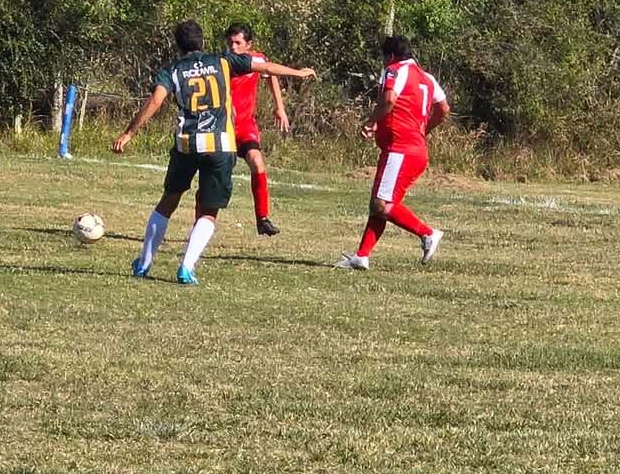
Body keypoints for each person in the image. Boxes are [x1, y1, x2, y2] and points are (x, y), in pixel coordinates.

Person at [112, 20, 315, 285]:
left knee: (168, 201)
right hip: (220, 144)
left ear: (178, 45)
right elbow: (264, 66)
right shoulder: (222, 61)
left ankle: (144, 263)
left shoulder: (172, 69)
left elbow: (156, 100)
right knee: (208, 211)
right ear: (202, 42)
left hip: (187, 144)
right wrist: (298, 73)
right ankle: (186, 267)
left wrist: (129, 132)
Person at [337, 35, 450, 270]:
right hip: (413, 149)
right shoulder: (426, 77)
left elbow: (389, 100)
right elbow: (443, 108)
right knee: (382, 203)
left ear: (389, 56)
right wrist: (423, 129)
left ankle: (427, 233)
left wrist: (370, 121)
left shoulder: (394, 70)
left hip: (400, 148)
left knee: (381, 203)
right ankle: (361, 256)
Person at [224, 23, 304, 236]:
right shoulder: (224, 63)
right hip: (224, 127)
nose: (233, 47)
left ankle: (262, 219)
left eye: (238, 43)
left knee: (257, 162)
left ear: (249, 44)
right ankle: (200, 220)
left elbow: (271, 75)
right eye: (230, 42)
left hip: (246, 124)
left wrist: (280, 107)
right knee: (217, 175)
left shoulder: (257, 60)